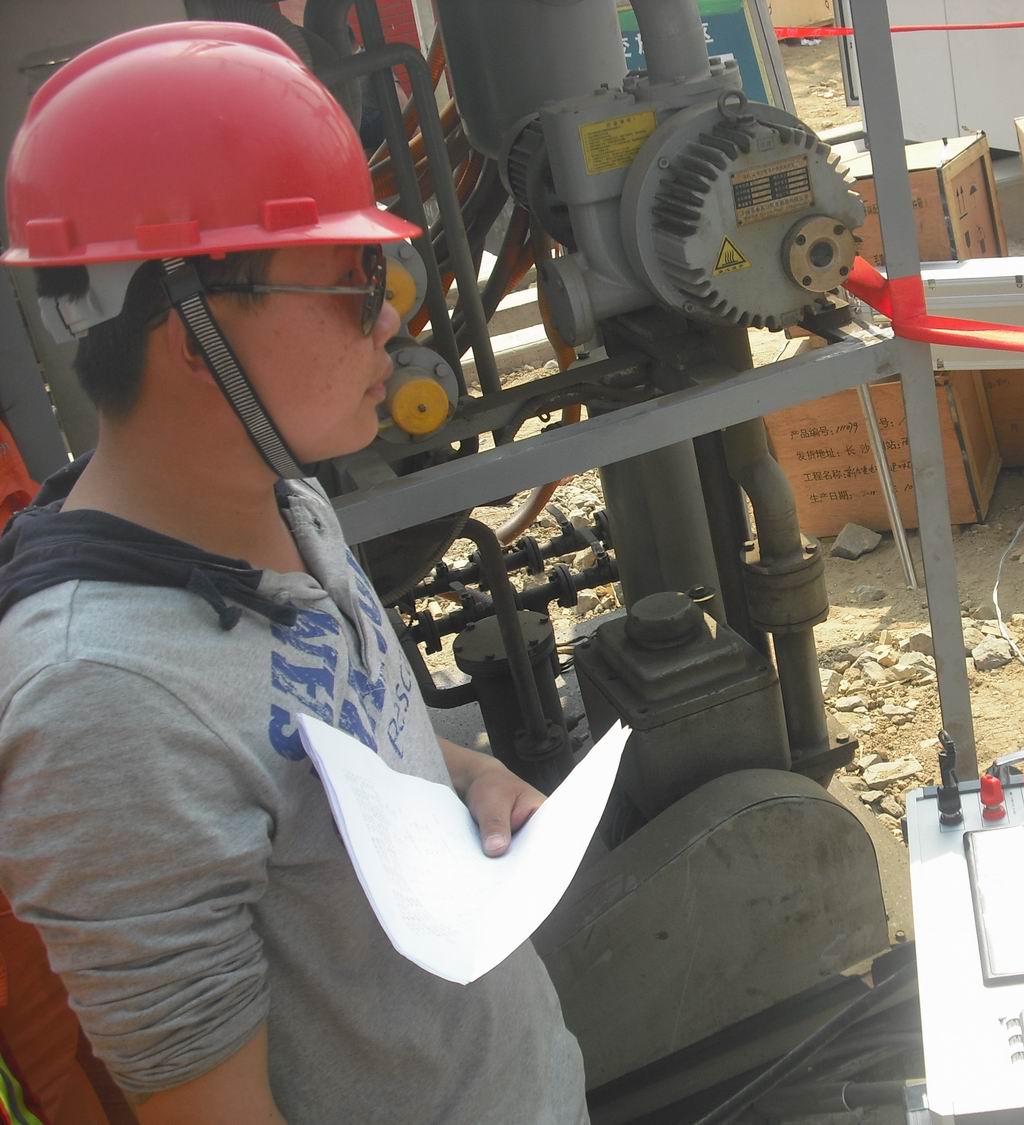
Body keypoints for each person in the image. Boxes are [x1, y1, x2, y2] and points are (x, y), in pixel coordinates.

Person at [0, 21, 588, 1124]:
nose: (391, 318)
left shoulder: (282, 501)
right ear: (194, 338)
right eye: (352, 283)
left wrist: (463, 775)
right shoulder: (102, 706)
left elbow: (329, 742)